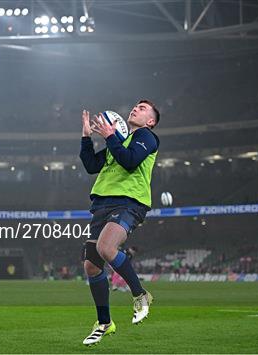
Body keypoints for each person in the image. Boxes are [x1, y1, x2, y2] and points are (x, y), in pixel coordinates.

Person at [79, 100, 160, 346]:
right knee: (91, 266)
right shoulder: (119, 140)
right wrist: (86, 138)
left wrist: (110, 136)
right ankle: (104, 323)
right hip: (102, 204)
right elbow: (91, 165)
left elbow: (130, 160)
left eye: (143, 108)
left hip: (129, 202)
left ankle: (141, 295)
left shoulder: (147, 137)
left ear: (151, 121)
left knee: (106, 247)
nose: (136, 108)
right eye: (136, 106)